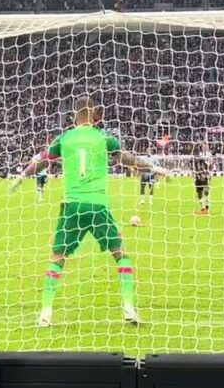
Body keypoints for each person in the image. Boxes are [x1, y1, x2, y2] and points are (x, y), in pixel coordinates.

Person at [9, 96, 166, 327]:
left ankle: (45, 313)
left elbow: (43, 161)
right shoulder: (104, 138)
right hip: (98, 204)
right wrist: (153, 166)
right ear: (94, 115)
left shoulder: (65, 138)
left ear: (74, 115)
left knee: (57, 258)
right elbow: (126, 158)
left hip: (72, 205)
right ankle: (129, 309)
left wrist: (22, 176)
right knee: (121, 255)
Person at [192, 143, 212, 215]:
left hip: (205, 175)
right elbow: (193, 167)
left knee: (206, 191)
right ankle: (203, 207)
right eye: (203, 146)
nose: (204, 147)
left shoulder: (209, 155)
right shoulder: (198, 156)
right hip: (198, 176)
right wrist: (193, 175)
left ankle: (207, 206)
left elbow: (210, 165)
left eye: (206, 146)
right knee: (199, 193)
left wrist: (209, 175)